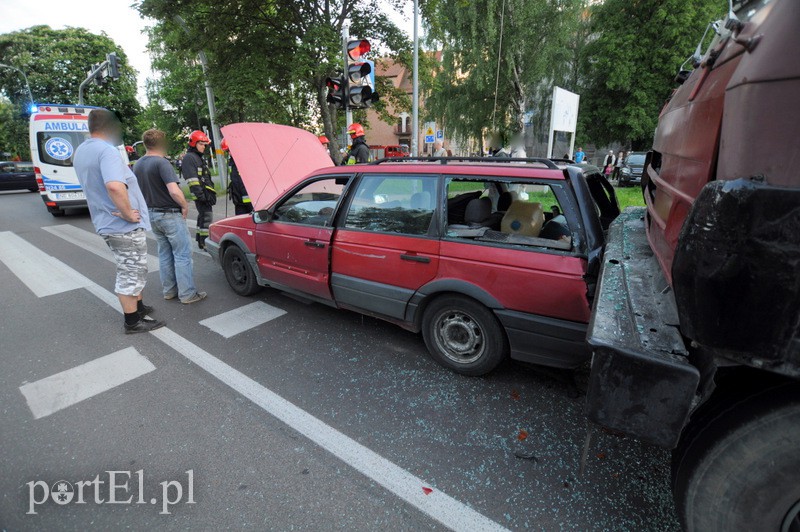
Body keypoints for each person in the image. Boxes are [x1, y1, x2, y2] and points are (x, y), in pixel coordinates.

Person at [72, 110, 164, 334]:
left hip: (106, 221)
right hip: (121, 226)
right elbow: (114, 185)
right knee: (130, 271)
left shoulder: (83, 150)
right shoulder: (106, 151)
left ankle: (139, 308)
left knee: (134, 267)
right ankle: (132, 321)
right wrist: (127, 213)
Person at [133, 129, 207, 305]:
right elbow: (174, 190)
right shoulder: (162, 163)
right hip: (169, 214)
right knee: (182, 255)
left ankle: (169, 291)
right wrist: (184, 204)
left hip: (152, 214)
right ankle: (188, 294)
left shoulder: (138, 164)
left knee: (165, 253)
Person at [181, 130, 216, 249]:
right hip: (201, 194)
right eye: (201, 144)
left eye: (204, 144)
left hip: (204, 193)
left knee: (203, 216)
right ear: (193, 144)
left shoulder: (197, 157)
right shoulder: (190, 158)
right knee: (207, 217)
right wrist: (201, 195)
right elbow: (192, 180)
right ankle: (206, 242)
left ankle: (201, 240)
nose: (204, 147)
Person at [220, 139, 253, 216]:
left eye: (231, 150)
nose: (230, 153)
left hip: (250, 201)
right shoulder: (232, 162)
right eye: (228, 151)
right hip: (238, 201)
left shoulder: (246, 160)